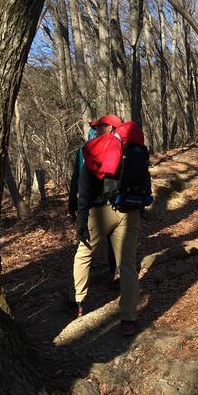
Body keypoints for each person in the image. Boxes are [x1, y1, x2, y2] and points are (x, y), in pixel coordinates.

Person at [72, 115, 142, 337]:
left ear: (110, 127)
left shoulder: (97, 149)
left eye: (99, 126)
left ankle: (79, 302)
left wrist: (80, 218)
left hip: (101, 210)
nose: (95, 130)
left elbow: (85, 187)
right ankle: (129, 319)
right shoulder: (133, 150)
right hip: (130, 211)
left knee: (84, 253)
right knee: (128, 265)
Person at [69, 127, 117, 281]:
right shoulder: (110, 148)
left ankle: (78, 293)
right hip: (107, 202)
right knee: (112, 238)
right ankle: (114, 272)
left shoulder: (83, 150)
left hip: (90, 202)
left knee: (86, 244)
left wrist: (72, 203)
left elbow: (76, 177)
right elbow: (112, 176)